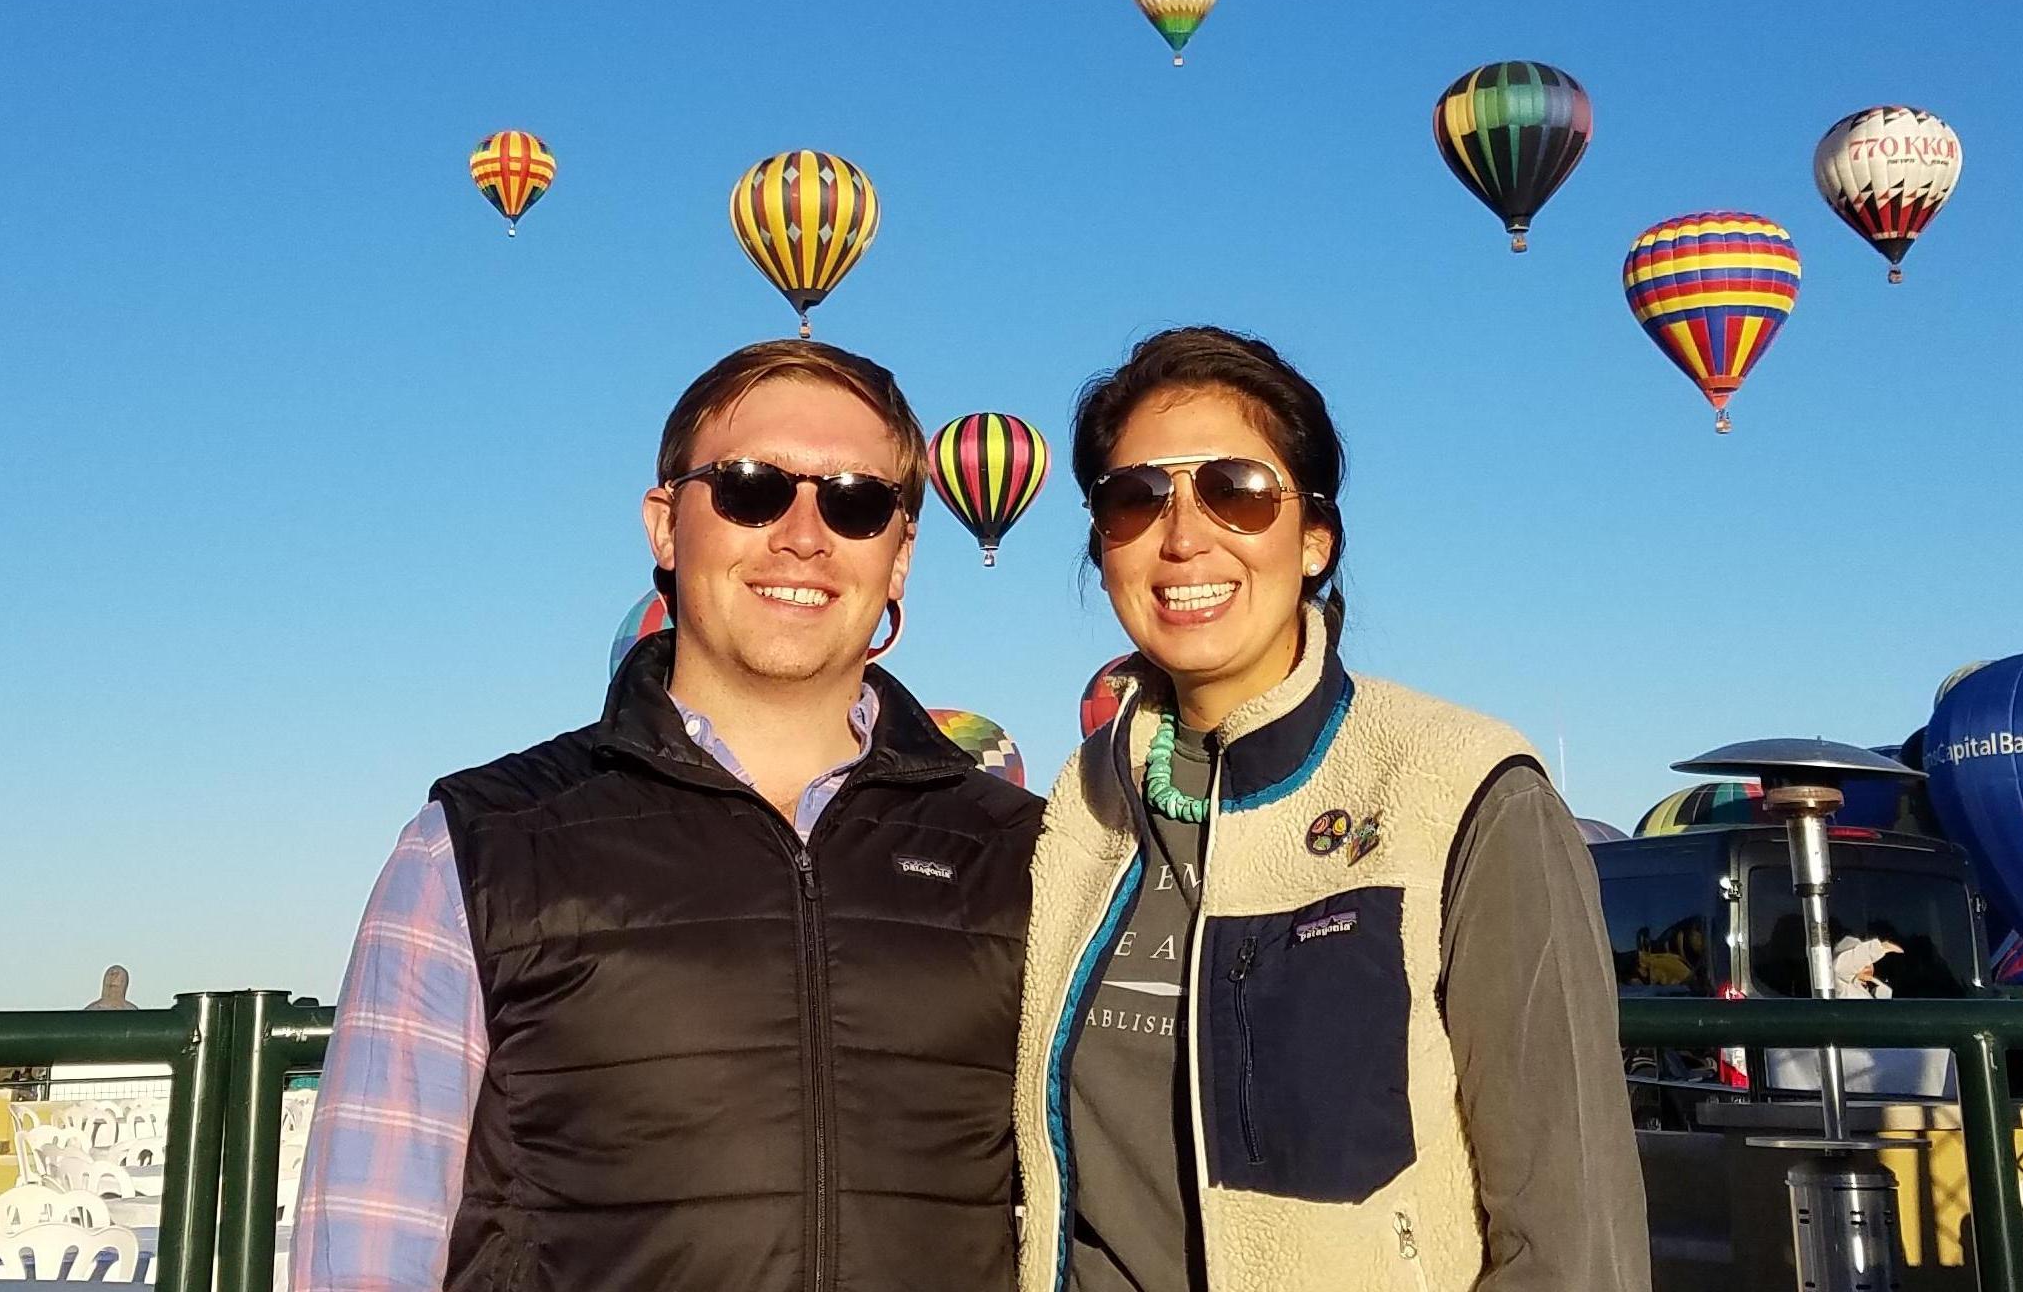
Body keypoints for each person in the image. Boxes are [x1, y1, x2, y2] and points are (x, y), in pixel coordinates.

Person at [293, 338, 1041, 1292]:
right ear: (664, 524)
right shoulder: (477, 846)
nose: (804, 534)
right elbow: (369, 1243)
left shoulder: (1024, 851)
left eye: (856, 501)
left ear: (900, 556)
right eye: (748, 487)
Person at [1013, 324, 1648, 1292]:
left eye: (1237, 490)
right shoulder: (1085, 799)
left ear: (1314, 537)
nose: (1183, 535)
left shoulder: (1461, 786)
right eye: (1134, 498)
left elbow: (1571, 1224)